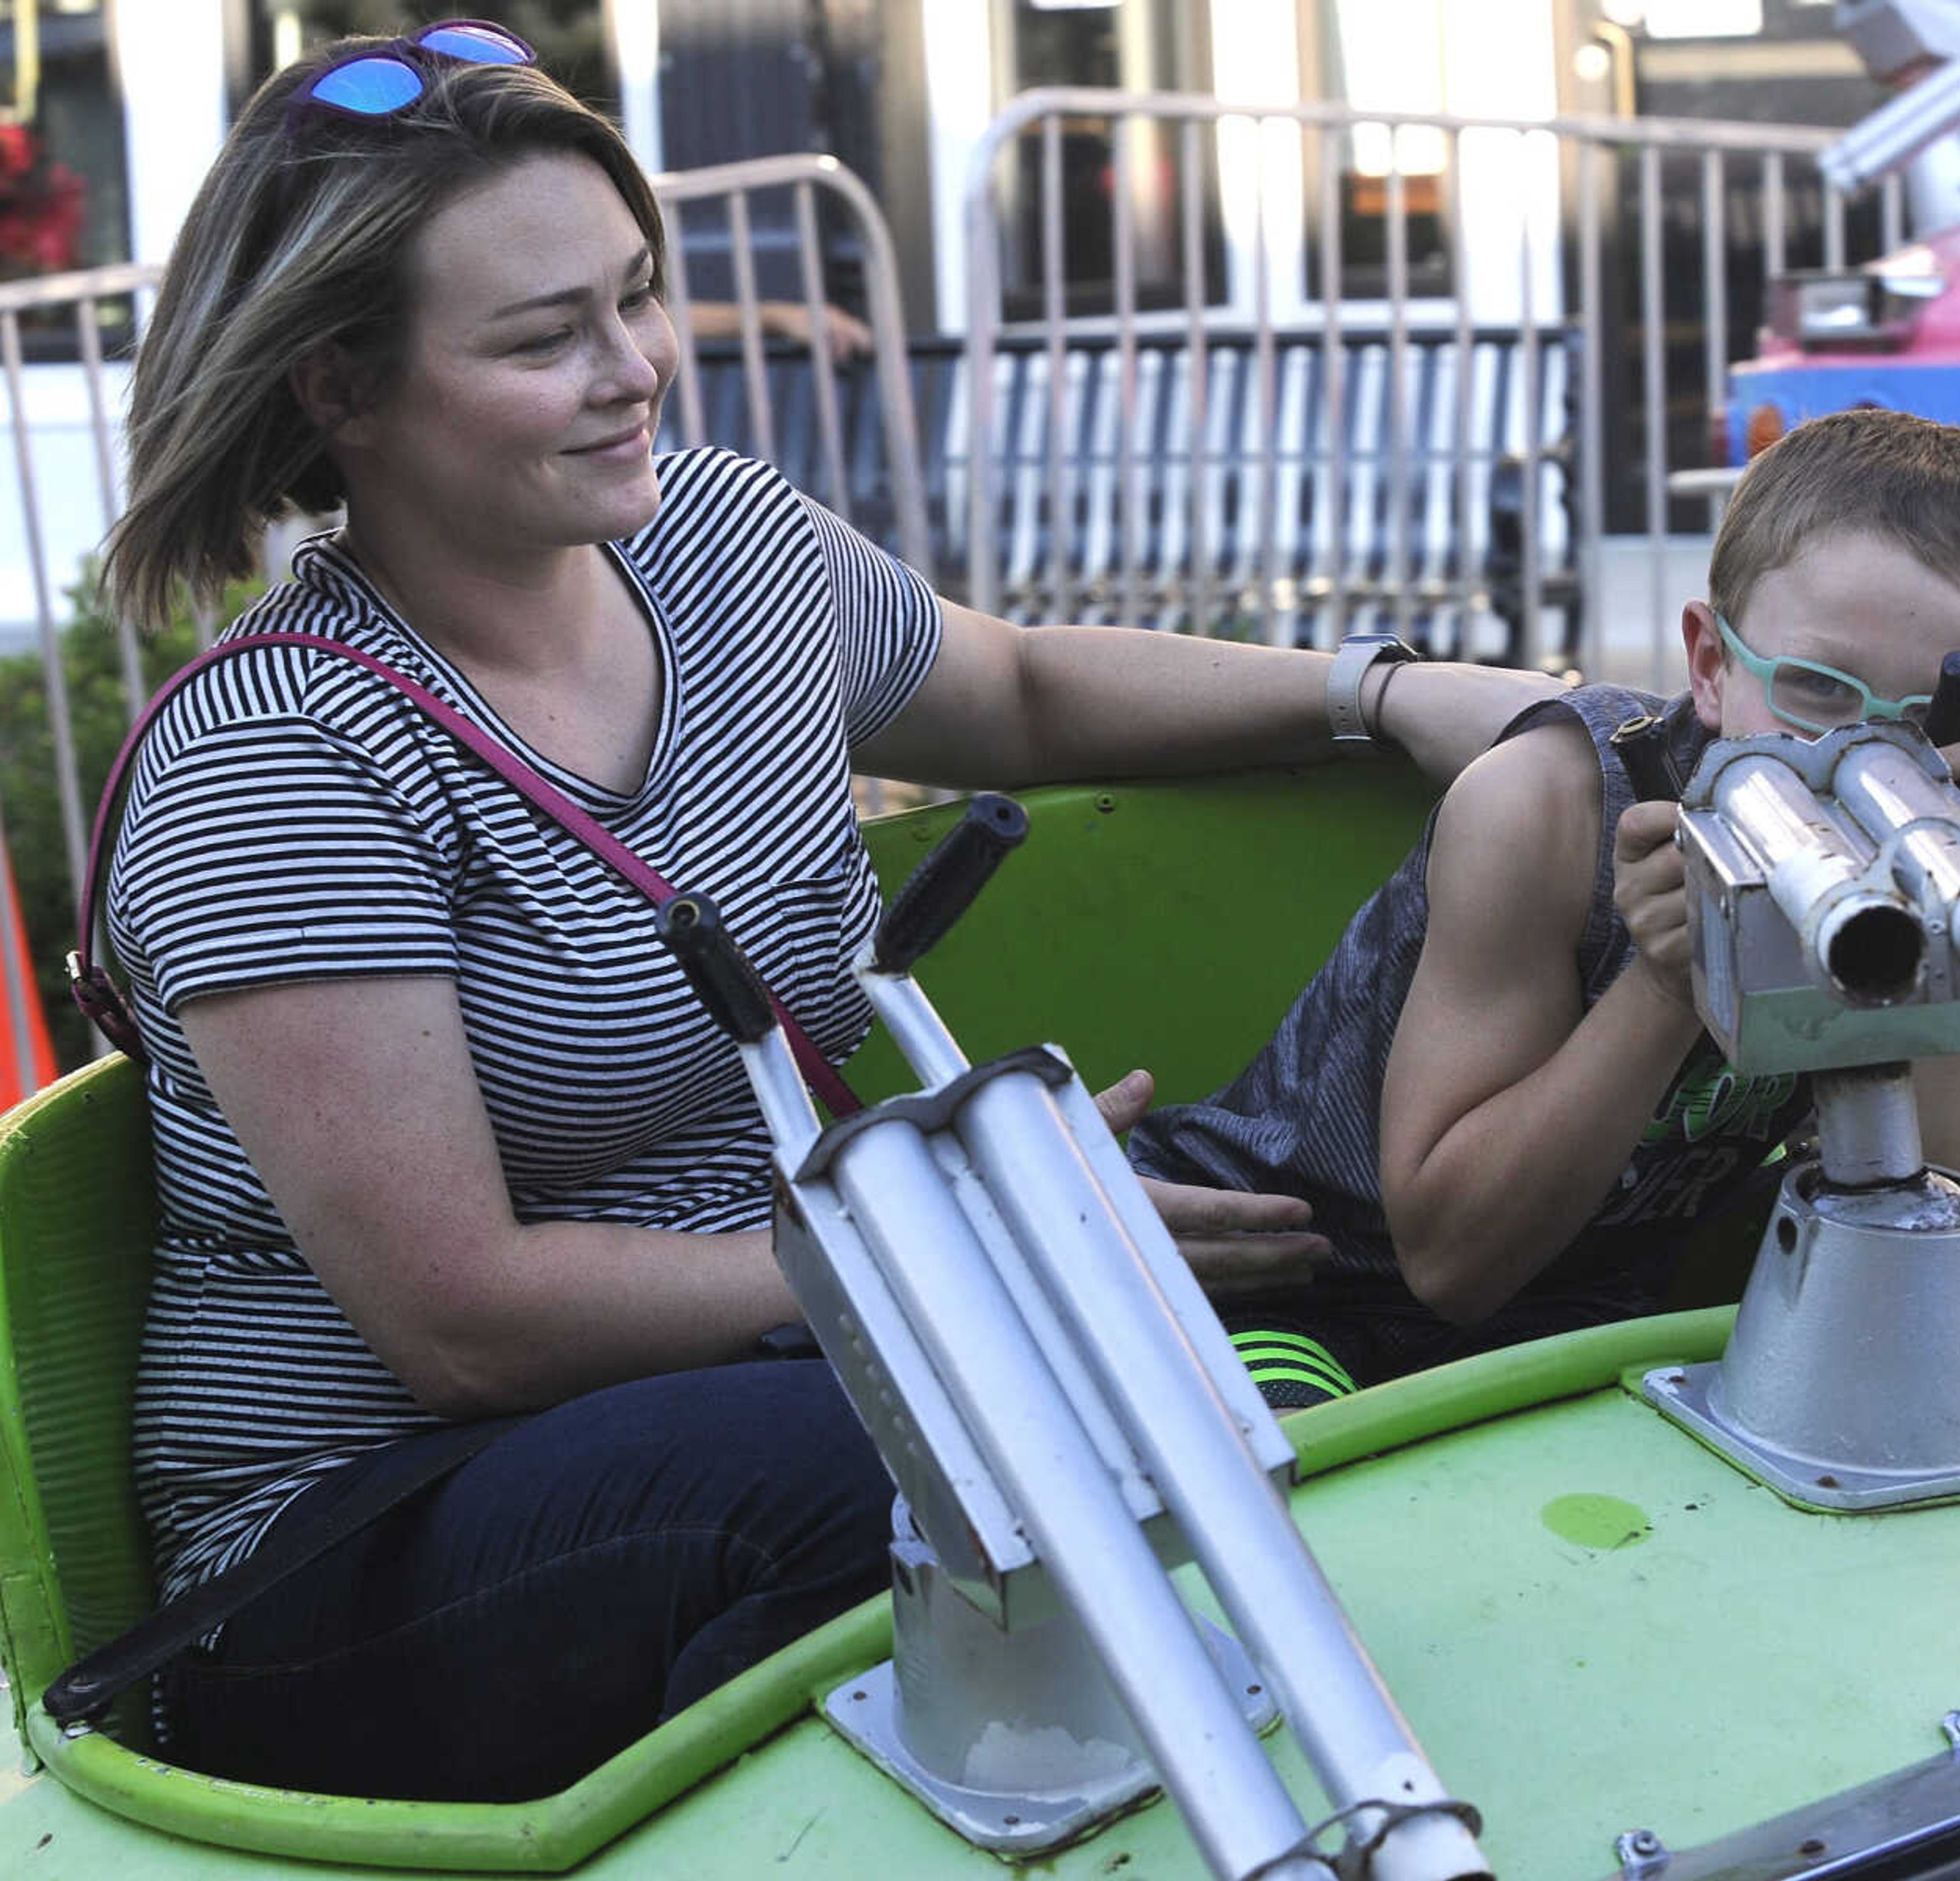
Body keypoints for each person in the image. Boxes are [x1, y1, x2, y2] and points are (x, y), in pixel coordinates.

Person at [98, 21, 1553, 1802]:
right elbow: (463, 1318)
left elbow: (1015, 693)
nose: (638, 366)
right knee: (960, 1470)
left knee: (1306, 1312)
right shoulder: (279, 757)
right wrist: (957, 1252)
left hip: (794, 1349)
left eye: (639, 294)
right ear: (337, 384)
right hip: (365, 1537)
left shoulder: (710, 543)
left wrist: (1391, 693)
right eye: (548, 336)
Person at [1130, 410, 1960, 1410]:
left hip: (1590, 1317)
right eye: (1815, 691)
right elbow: (1452, 1264)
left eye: (1937, 725)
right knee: (1294, 1504)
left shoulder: (1939, 859)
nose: (1861, 758)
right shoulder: (1545, 808)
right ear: (1712, 666)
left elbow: (1931, 1210)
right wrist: (1671, 978)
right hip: (1284, 1288)